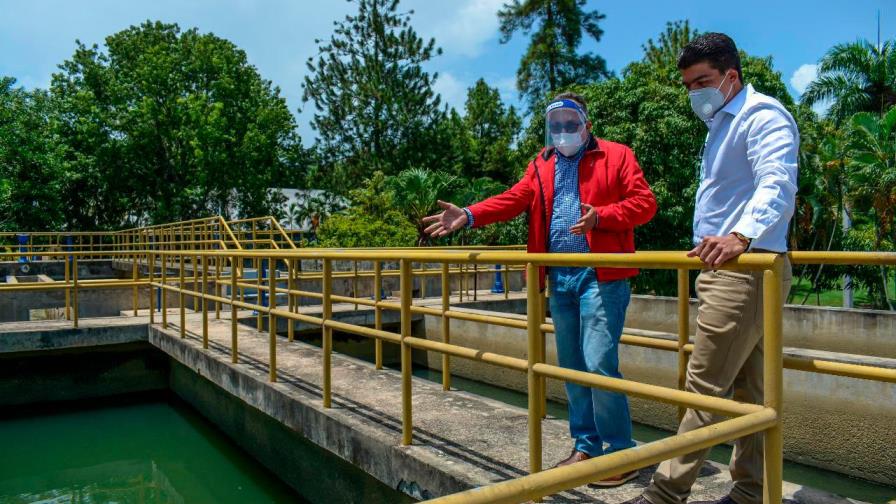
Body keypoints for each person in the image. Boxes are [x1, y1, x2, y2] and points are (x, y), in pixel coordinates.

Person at [423, 92, 656, 486]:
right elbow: (515, 199)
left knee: (599, 360)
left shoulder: (616, 155)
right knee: (571, 364)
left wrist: (602, 217)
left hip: (601, 274)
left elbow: (645, 203)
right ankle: (585, 445)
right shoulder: (542, 163)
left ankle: (619, 453)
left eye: (571, 123)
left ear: (587, 124)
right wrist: (469, 213)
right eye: (557, 125)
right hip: (558, 276)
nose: (563, 131)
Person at [624, 33, 798, 504]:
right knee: (753, 390)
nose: (693, 92)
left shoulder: (761, 115)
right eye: (688, 84)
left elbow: (777, 181)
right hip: (735, 266)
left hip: (741, 267)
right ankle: (751, 490)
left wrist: (740, 234)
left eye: (702, 80)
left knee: (703, 386)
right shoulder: (722, 123)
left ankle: (664, 493)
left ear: (731, 76)